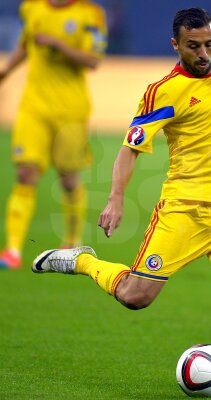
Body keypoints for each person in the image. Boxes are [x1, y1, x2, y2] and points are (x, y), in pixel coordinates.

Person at [32, 1, 211, 398]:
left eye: (210, 44)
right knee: (135, 296)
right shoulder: (163, 92)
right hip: (184, 211)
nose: (204, 53)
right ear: (176, 45)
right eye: (194, 46)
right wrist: (115, 198)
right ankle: (82, 261)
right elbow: (130, 148)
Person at [0, 0, 107, 269]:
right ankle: (12, 250)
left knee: (68, 179)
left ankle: (71, 242)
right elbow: (26, 44)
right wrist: (6, 70)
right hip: (33, 108)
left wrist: (59, 44)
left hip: (70, 111)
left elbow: (93, 60)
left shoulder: (90, 14)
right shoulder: (32, 7)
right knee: (25, 173)